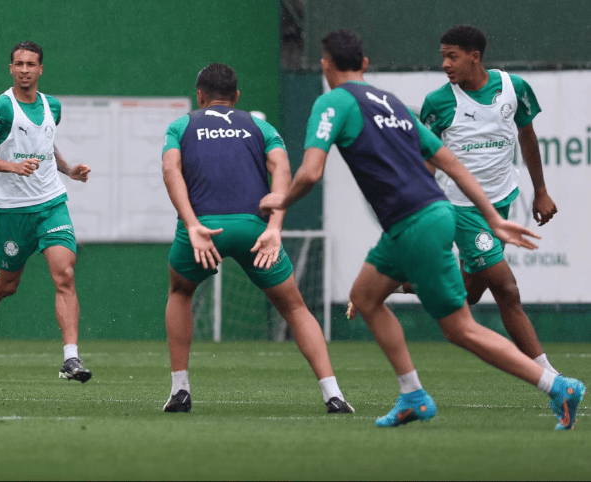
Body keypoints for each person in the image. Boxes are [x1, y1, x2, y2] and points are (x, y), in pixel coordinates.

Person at [259, 30, 585, 430]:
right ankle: (412, 394)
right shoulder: (392, 103)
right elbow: (451, 163)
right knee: (364, 296)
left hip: (416, 222)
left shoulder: (333, 101)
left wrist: (281, 201)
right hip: (422, 219)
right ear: (364, 64)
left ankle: (557, 385)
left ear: (326, 65)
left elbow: (310, 173)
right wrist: (494, 216)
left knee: (461, 328)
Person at [160, 62, 354, 414]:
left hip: (203, 230)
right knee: (295, 307)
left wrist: (191, 224)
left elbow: (171, 169)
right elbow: (282, 168)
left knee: (180, 291)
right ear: (236, 97)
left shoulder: (181, 125)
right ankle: (333, 394)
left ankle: (180, 390)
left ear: (199, 96)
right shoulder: (261, 126)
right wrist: (275, 228)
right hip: (255, 230)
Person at [420, 25, 559, 374]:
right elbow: (423, 160)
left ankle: (407, 280)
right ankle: (552, 379)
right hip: (461, 208)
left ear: (474, 56)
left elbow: (527, 136)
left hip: (500, 203)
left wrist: (540, 191)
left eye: (452, 56)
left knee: (468, 295)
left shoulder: (514, 88)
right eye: (443, 57)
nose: (446, 64)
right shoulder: (439, 103)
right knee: (507, 289)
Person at [0, 41, 93, 383]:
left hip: (51, 204)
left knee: (64, 275)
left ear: (41, 69)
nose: (25, 70)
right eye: (19, 63)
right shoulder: (2, 109)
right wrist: (12, 167)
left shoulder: (53, 106)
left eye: (31, 64)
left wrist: (67, 170)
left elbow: (45, 144)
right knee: (7, 285)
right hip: (13, 212)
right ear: (11, 68)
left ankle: (71, 358)